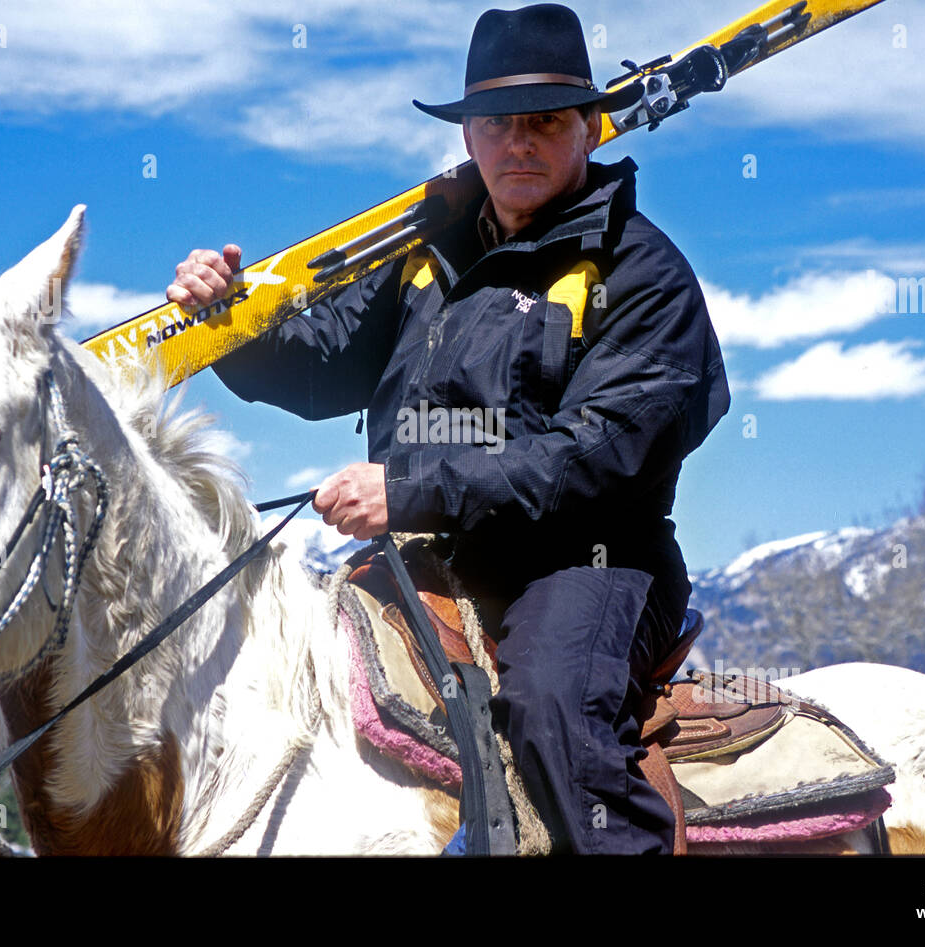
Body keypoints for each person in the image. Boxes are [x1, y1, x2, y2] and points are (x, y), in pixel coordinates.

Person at [166, 3, 729, 854]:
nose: (518, 144)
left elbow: (598, 454)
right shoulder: (426, 254)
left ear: (589, 128)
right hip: (426, 548)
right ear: (469, 137)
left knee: (554, 712)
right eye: (495, 125)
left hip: (587, 558)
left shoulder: (642, 273)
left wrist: (408, 489)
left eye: (544, 122)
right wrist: (230, 324)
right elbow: (322, 367)